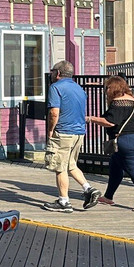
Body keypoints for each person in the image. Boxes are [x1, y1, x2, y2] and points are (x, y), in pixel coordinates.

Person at [87, 76, 134, 213]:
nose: (105, 91)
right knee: (115, 164)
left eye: (107, 87)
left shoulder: (118, 103)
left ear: (112, 88)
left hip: (128, 141)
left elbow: (110, 122)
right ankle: (108, 197)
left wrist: (90, 119)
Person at [42, 60, 101, 212]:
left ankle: (64, 202)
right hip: (79, 132)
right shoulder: (79, 88)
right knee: (71, 165)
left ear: (58, 73)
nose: (52, 74)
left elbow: (54, 112)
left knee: (59, 167)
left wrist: (50, 130)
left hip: (63, 132)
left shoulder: (55, 87)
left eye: (53, 71)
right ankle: (89, 189)